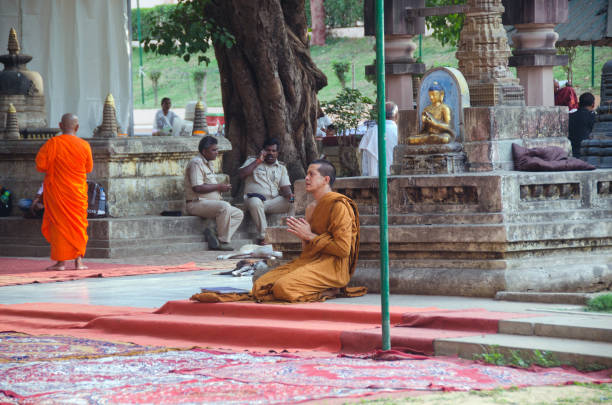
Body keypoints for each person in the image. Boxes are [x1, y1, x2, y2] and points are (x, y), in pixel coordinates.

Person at [251, 159, 363, 302]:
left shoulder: (338, 205)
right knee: (260, 285)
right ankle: (321, 288)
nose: (306, 178)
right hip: (311, 262)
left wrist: (310, 235)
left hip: (332, 267)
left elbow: (343, 249)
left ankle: (329, 291)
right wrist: (304, 237)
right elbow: (308, 250)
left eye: (311, 174)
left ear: (325, 179)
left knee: (283, 288)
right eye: (306, 174)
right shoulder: (310, 208)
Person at [35, 113, 93, 270]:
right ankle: (78, 261)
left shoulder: (52, 143)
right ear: (77, 127)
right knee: (78, 225)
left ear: (60, 126)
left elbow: (40, 165)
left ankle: (61, 263)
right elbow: (88, 168)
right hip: (77, 193)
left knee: (59, 225)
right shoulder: (84, 145)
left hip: (58, 191)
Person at [185, 136, 243, 251]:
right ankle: (223, 241)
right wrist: (219, 186)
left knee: (238, 213)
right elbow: (197, 187)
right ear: (204, 151)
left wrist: (221, 188)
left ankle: (214, 233)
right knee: (225, 206)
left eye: (217, 149)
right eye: (214, 150)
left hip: (209, 203)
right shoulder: (196, 163)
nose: (217, 152)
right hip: (196, 203)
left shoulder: (209, 164)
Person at [238, 138, 294, 245]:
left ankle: (291, 233)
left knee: (293, 203)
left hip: (273, 202)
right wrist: (258, 161)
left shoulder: (281, 167)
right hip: (254, 201)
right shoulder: (252, 161)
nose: (270, 153)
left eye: (273, 151)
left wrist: (290, 195)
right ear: (263, 151)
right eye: (268, 150)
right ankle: (264, 237)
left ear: (278, 153)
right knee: (255, 201)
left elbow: (285, 187)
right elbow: (241, 174)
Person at [358, 101, 399, 176]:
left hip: (374, 179)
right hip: (396, 178)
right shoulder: (399, 132)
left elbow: (365, 164)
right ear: (396, 116)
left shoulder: (371, 132)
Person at [569, 92, 596, 158]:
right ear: (593, 105)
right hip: (588, 153)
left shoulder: (570, 116)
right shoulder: (594, 117)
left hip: (573, 152)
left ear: (579, 104)